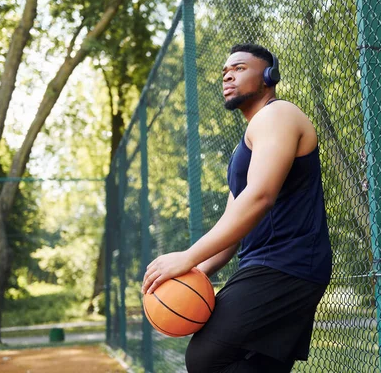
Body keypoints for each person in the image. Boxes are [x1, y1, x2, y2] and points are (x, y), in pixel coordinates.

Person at [141, 43, 333, 372]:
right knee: (257, 365)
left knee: (206, 357)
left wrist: (186, 258)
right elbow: (234, 223)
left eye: (240, 68)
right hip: (267, 263)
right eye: (225, 72)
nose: (228, 75)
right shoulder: (247, 143)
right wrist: (195, 271)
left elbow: (260, 196)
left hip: (288, 263)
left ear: (269, 76)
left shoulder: (279, 115)